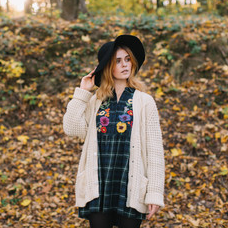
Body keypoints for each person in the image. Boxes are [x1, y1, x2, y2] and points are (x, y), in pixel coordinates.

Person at [63, 35, 165, 228]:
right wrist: (83, 92)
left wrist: (154, 193)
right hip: (99, 187)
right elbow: (71, 128)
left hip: (130, 188)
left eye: (127, 59)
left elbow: (155, 152)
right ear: (108, 66)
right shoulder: (95, 102)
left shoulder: (145, 102)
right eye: (118, 61)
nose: (125, 64)